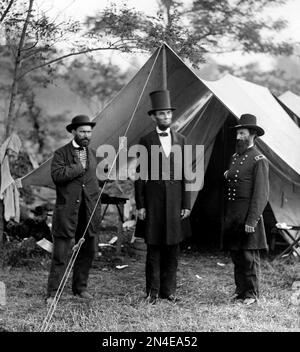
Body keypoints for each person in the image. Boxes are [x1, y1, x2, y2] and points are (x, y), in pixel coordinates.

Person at [134, 90, 191, 305]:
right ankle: (152, 292)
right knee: (154, 248)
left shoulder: (182, 140)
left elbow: (187, 173)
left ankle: (170, 291)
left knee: (173, 248)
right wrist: (140, 204)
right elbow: (140, 174)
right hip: (154, 201)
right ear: (153, 117)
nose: (167, 117)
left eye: (168, 113)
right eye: (162, 114)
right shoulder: (146, 140)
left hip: (176, 200)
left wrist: (186, 203)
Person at [46, 115, 102, 304]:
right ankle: (53, 293)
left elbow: (92, 182)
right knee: (61, 253)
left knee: (88, 251)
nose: (86, 135)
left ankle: (80, 288)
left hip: (88, 211)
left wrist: (103, 179)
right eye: (82, 131)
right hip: (67, 212)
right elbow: (57, 176)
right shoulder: (61, 153)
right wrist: (79, 168)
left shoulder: (93, 153)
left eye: (89, 131)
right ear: (74, 132)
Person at [223, 113, 269, 306]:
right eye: (237, 133)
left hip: (248, 215)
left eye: (242, 133)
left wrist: (252, 220)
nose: (238, 137)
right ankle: (240, 290)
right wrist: (228, 174)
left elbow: (261, 194)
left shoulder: (259, 159)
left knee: (249, 256)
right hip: (234, 214)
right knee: (236, 254)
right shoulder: (235, 157)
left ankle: (251, 294)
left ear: (252, 135)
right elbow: (236, 178)